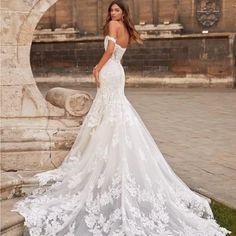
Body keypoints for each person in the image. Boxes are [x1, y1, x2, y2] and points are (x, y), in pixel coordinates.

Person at [12, 0, 231, 235]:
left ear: (123, 12)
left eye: (116, 10)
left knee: (108, 110)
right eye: (111, 10)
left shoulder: (115, 26)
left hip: (110, 70)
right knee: (114, 110)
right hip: (117, 71)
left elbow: (108, 52)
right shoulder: (127, 28)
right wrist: (110, 67)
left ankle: (106, 155)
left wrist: (97, 68)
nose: (112, 13)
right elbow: (118, 55)